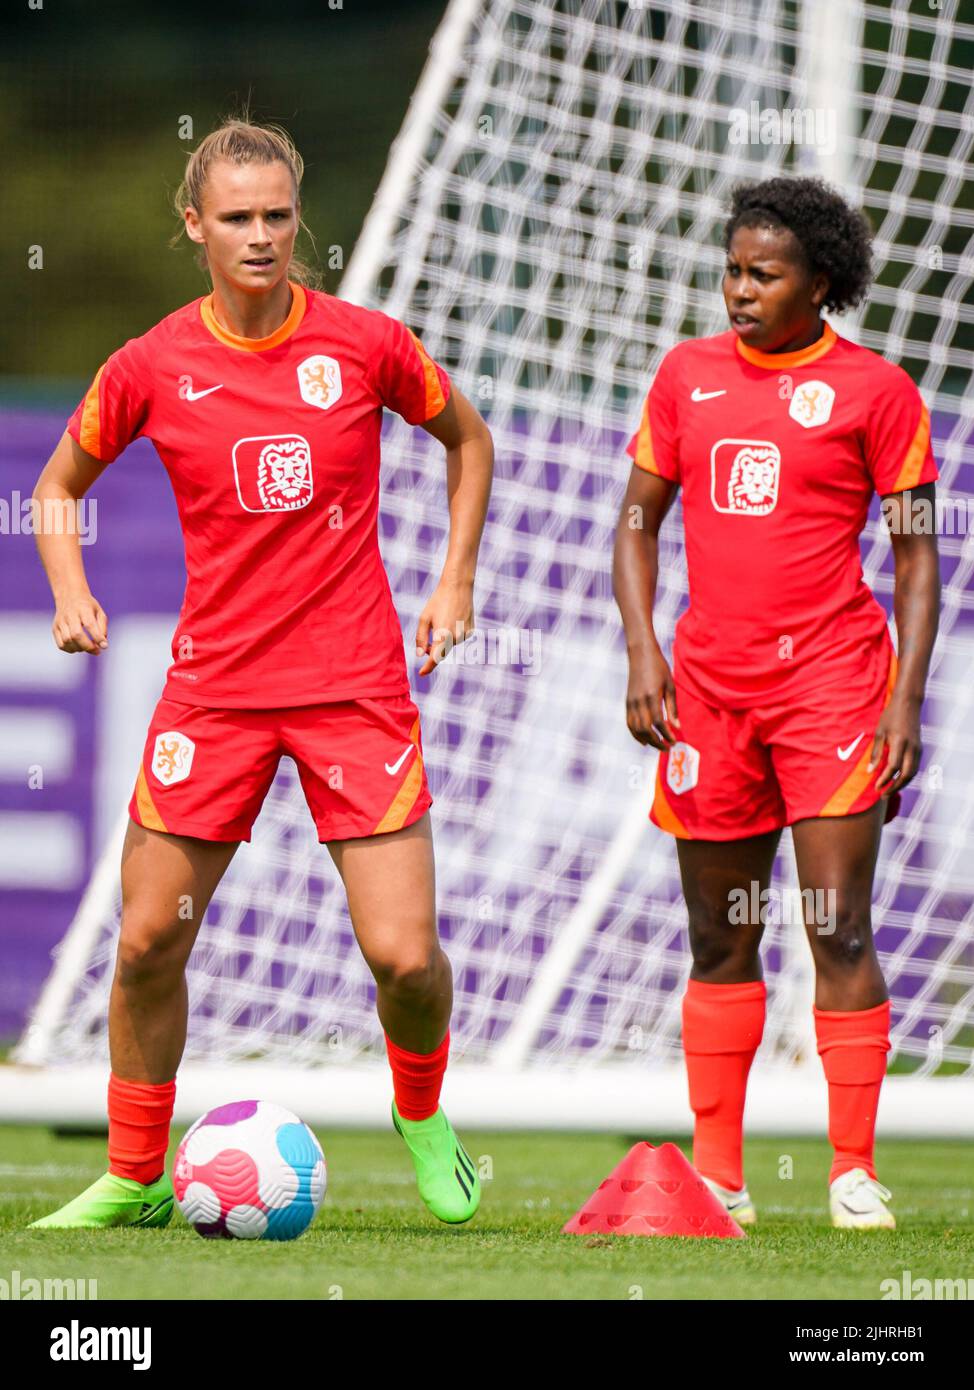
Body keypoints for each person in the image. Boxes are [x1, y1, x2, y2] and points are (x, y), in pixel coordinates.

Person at [29, 118, 493, 1230]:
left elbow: (466, 440)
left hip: (353, 688)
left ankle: (423, 1119)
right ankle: (138, 1174)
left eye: (277, 216)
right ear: (194, 225)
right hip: (216, 693)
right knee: (146, 941)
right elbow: (55, 485)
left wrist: (453, 580)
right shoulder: (150, 364)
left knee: (404, 957)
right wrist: (68, 590)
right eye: (234, 217)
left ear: (298, 220)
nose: (259, 236)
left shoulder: (368, 345)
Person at [613, 176, 940, 1229]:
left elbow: (916, 558)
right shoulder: (684, 376)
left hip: (833, 684)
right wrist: (643, 653)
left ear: (822, 283)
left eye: (763, 274)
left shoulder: (878, 394)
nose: (739, 290)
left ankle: (849, 1170)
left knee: (835, 924)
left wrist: (900, 700)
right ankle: (720, 1176)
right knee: (718, 934)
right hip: (708, 694)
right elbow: (633, 520)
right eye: (732, 270)